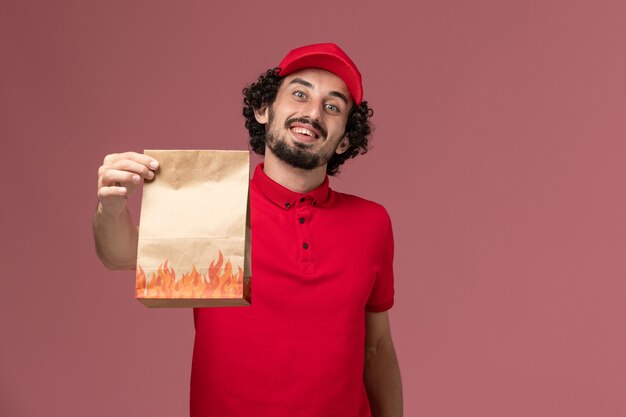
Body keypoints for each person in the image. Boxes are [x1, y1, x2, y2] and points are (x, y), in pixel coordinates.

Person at [93, 43, 402, 417]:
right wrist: (110, 207)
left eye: (332, 106)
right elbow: (122, 256)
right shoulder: (212, 201)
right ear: (263, 109)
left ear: (345, 140)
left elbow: (377, 347)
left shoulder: (372, 222)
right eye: (300, 94)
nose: (312, 113)